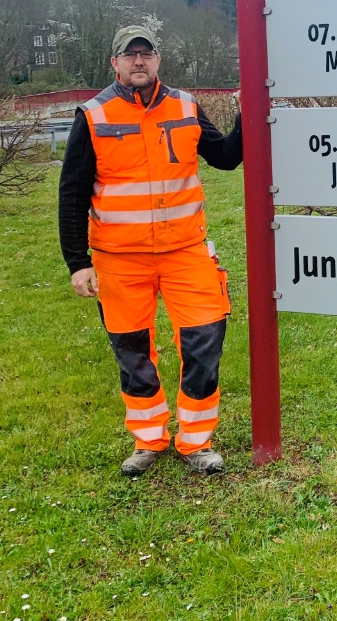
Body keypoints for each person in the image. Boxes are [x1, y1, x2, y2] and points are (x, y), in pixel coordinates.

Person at [58, 25, 243, 477]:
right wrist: (77, 262)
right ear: (114, 63)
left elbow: (224, 157)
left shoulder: (185, 106)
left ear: (158, 60)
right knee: (132, 351)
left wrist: (246, 114)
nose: (139, 61)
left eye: (146, 53)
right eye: (130, 55)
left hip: (186, 251)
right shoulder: (93, 115)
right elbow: (72, 192)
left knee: (204, 341)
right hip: (119, 259)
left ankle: (196, 442)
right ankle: (148, 439)